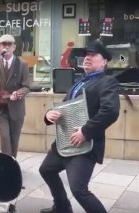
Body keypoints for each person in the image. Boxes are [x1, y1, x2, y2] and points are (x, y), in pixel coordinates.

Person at [39, 40, 120, 213]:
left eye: (92, 55)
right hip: (65, 143)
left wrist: (85, 131)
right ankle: (62, 207)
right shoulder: (79, 82)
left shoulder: (107, 81)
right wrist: (48, 116)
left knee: (79, 190)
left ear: (104, 61)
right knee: (46, 170)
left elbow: (110, 111)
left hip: (85, 145)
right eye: (86, 55)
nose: (87, 58)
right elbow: (64, 108)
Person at [0, 34, 30, 158]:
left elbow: (27, 86)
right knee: (5, 137)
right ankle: (6, 164)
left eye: (10, 44)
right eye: (4, 44)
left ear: (14, 47)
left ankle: (12, 163)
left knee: (14, 139)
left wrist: (18, 93)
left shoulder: (22, 64)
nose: (7, 47)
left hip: (16, 108)